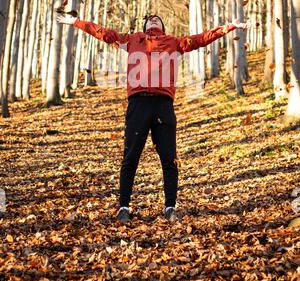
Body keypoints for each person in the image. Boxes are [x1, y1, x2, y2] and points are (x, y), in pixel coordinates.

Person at [57, 13, 250, 223]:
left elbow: (201, 39)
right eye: (150, 19)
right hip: (138, 105)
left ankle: (170, 208)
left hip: (163, 105)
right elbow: (103, 33)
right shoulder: (132, 40)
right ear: (144, 25)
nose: (154, 19)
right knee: (130, 158)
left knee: (169, 159)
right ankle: (123, 208)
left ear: (163, 26)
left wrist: (228, 27)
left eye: (158, 18)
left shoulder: (174, 43)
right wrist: (75, 22)